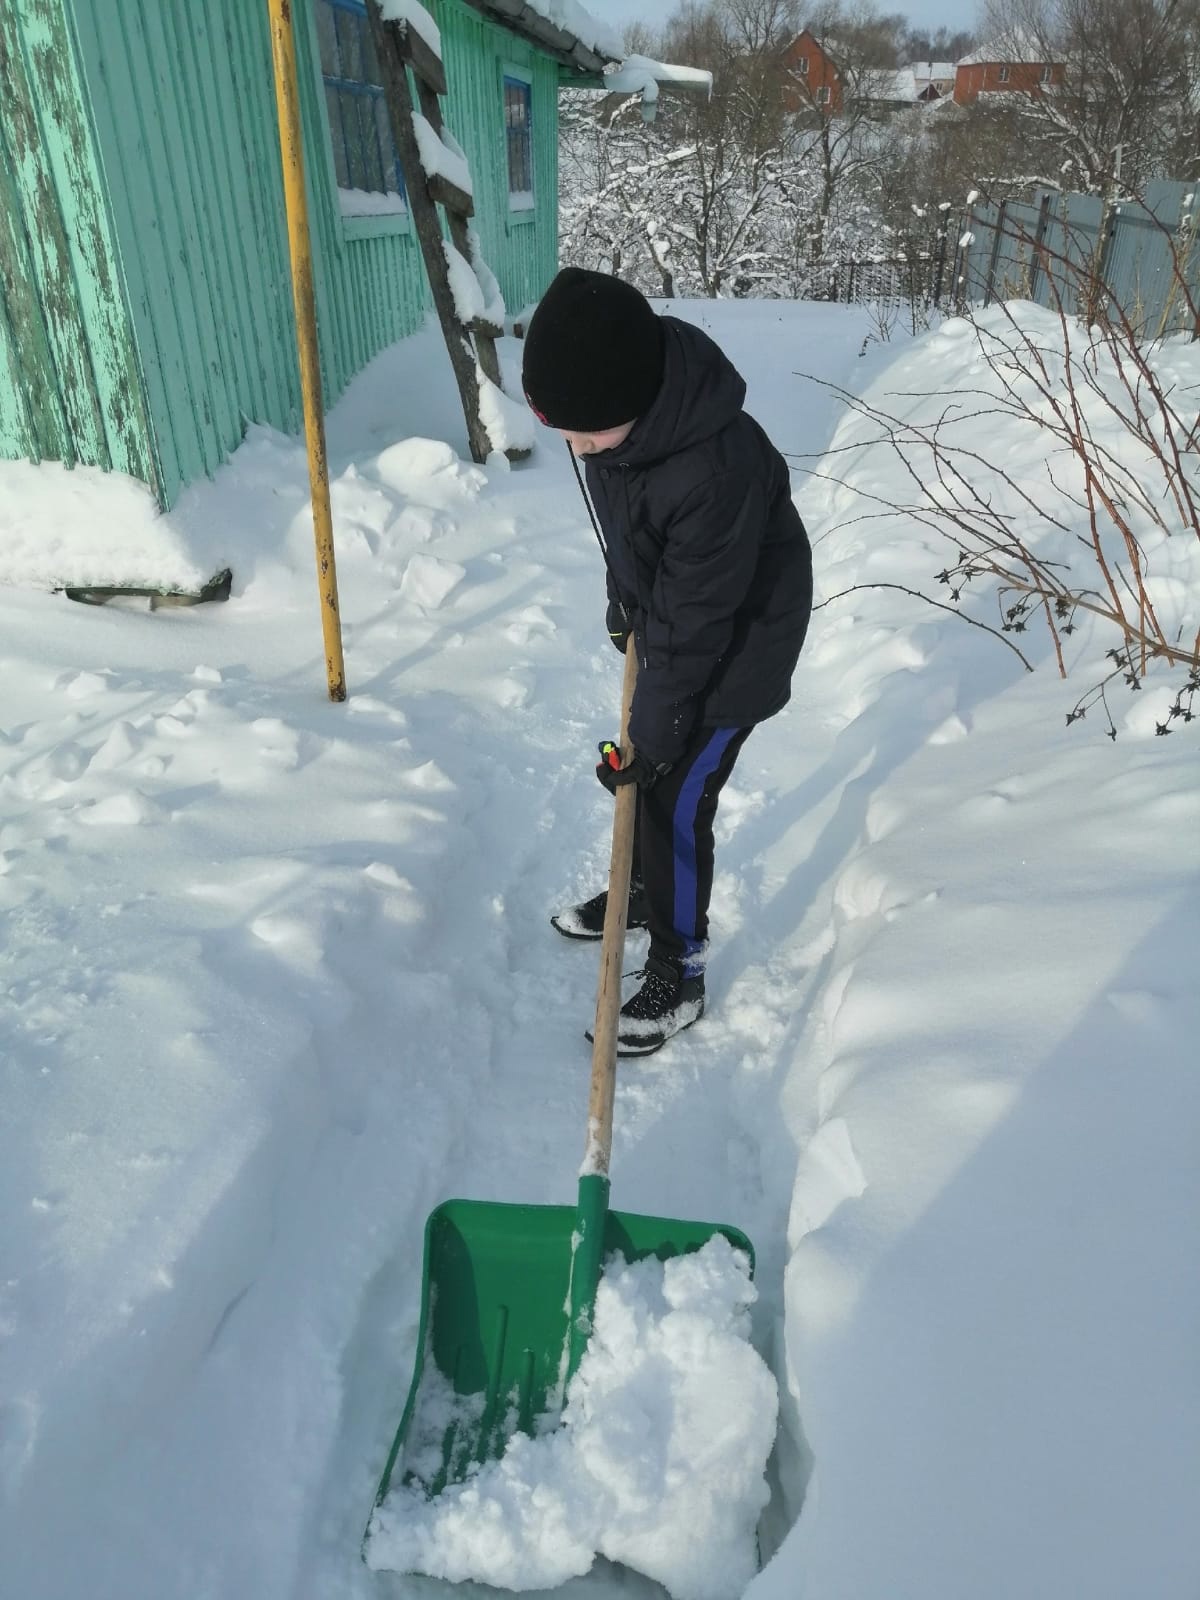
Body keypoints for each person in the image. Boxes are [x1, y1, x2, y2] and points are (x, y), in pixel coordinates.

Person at [521, 267, 812, 1056]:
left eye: (584, 433)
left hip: (739, 647)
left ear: (632, 403)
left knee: (676, 797)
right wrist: (624, 601)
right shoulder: (628, 429)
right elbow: (630, 536)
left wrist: (649, 741)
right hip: (685, 627)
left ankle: (680, 968)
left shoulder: (712, 470)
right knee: (652, 786)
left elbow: (695, 626)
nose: (576, 450)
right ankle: (646, 892)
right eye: (566, 433)